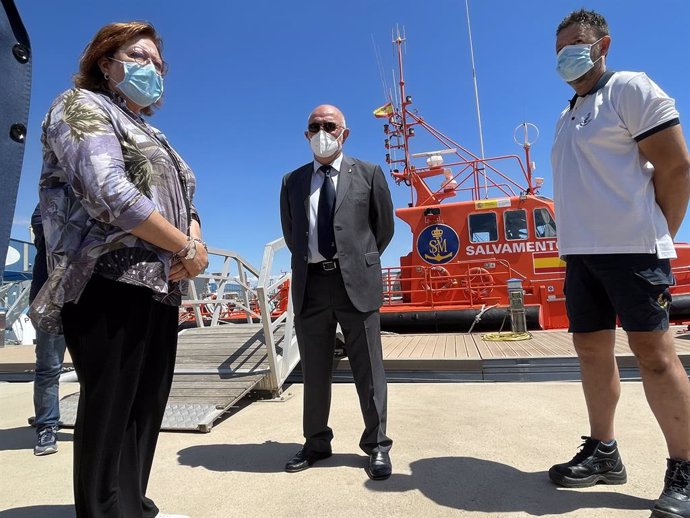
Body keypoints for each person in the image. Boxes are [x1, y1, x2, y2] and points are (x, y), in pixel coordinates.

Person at [29, 21, 207, 518]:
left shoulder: (154, 132)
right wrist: (185, 249)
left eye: (157, 61)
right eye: (138, 56)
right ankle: (103, 510)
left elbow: (187, 196)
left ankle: (133, 504)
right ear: (107, 64)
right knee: (110, 407)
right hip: (107, 279)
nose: (151, 68)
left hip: (159, 285)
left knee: (145, 406)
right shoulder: (80, 106)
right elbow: (109, 191)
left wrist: (195, 241)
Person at [549, 9, 690, 518]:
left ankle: (685, 468)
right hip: (581, 256)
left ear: (603, 44)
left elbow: (676, 166)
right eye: (560, 47)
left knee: (655, 357)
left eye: (577, 44)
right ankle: (604, 452)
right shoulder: (568, 115)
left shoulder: (629, 89)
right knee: (591, 353)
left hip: (632, 252)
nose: (568, 54)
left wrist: (656, 236)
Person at [279, 104, 395, 480]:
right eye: (314, 126)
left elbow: (383, 230)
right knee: (314, 371)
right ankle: (316, 443)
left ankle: (377, 446)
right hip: (311, 285)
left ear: (344, 133)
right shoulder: (291, 182)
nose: (321, 131)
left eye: (329, 125)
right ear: (305, 134)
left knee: (369, 370)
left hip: (356, 285)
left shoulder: (370, 173)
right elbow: (293, 235)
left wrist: (355, 261)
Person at [30, 204, 67, 456]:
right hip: (50, 296)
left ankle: (100, 423)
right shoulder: (46, 203)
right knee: (48, 367)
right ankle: (47, 425)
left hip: (88, 295)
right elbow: (44, 228)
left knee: (98, 368)